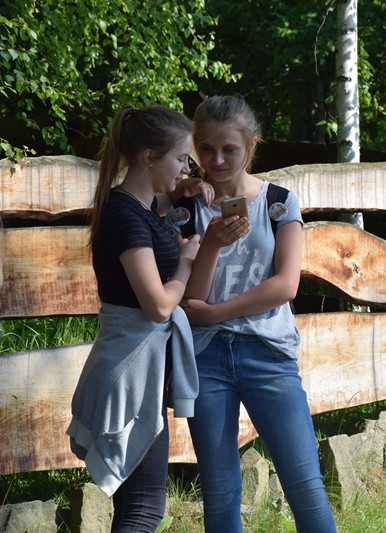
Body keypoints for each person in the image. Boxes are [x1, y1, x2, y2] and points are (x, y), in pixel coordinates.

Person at [180, 95, 337, 532]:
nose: (216, 160)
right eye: (206, 149)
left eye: (229, 149)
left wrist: (217, 313)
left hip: (269, 353)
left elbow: (286, 285)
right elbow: (191, 298)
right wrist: (212, 243)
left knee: (304, 484)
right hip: (205, 358)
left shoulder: (279, 202)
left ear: (252, 144)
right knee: (219, 491)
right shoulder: (186, 207)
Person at [67, 105, 206, 532]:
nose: (187, 168)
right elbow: (159, 306)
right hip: (130, 373)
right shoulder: (126, 217)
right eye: (181, 159)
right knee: (145, 510)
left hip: (138, 369)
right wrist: (186, 263)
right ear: (149, 157)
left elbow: (161, 206)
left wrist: (187, 191)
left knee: (135, 507)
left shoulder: (136, 207)